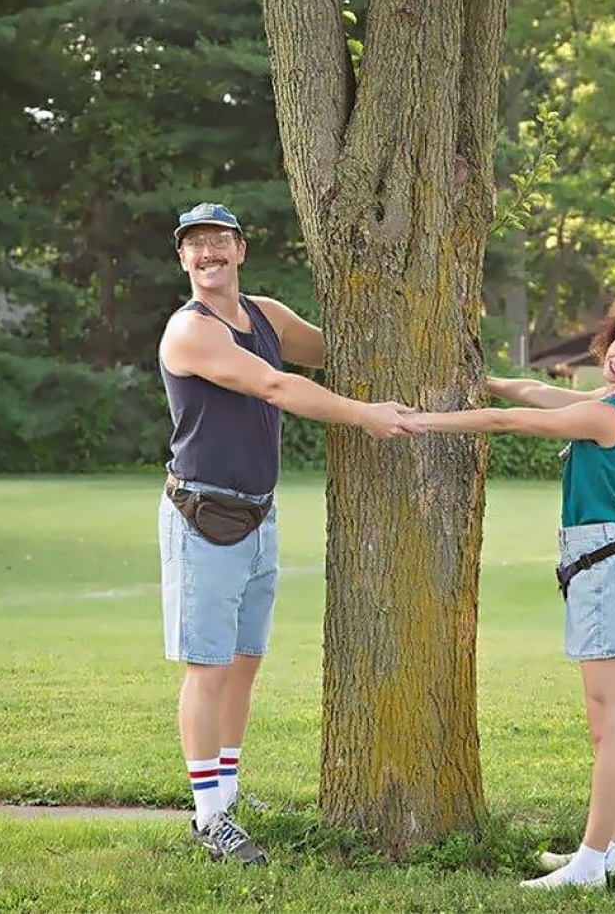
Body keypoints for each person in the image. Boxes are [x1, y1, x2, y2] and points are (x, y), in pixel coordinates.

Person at [400, 291, 615, 890]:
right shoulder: (609, 401)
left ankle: (591, 863)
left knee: (607, 722)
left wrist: (420, 420)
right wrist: (482, 379)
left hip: (609, 572)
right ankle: (604, 851)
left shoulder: (610, 415)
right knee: (606, 719)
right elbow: (535, 394)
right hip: (600, 568)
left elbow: (514, 421)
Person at [158, 202, 413, 865]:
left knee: (244, 660)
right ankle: (209, 817)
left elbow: (336, 348)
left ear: (241, 249)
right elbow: (274, 385)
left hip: (258, 512)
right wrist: (362, 416)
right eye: (195, 245)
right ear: (182, 259)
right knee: (208, 667)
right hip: (202, 516)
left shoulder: (265, 316)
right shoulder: (191, 331)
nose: (208, 253)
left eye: (220, 240)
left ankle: (229, 790)